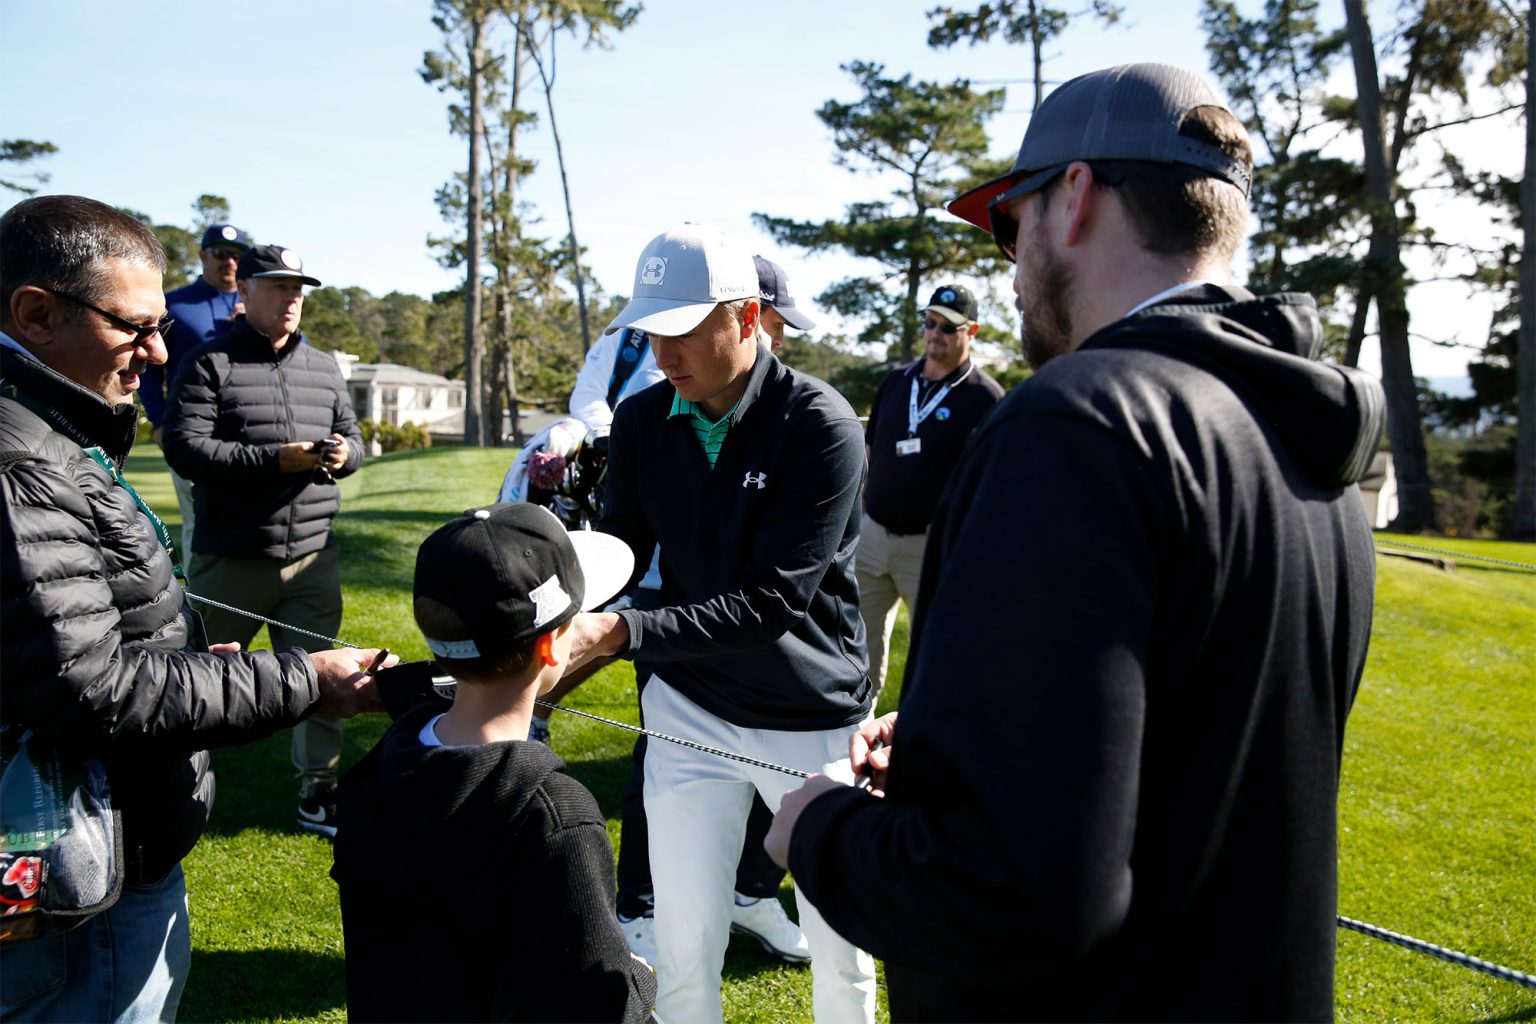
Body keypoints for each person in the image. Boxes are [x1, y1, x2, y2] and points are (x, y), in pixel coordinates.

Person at [766, 63, 1385, 1021]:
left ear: (1078, 195)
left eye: (1011, 225)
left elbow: (1015, 897)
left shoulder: (1079, 422)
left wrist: (817, 828)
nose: (1011, 263)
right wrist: (949, 748)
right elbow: (1176, 765)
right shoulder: (1310, 441)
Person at [0, 194, 383, 1022]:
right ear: (35, 314)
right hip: (82, 879)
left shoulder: (53, 428)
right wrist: (304, 681)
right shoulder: (23, 465)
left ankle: (315, 788)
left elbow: (68, 645)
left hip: (114, 842)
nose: (156, 350)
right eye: (132, 327)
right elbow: (92, 690)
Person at [564, 224, 877, 1024]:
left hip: (812, 722)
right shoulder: (639, 422)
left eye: (682, 329)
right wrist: (549, 581)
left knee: (842, 960)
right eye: (651, 331)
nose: (662, 352)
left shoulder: (823, 425)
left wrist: (625, 636)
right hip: (689, 706)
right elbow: (623, 556)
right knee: (684, 943)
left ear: (744, 317)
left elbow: (773, 602)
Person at [332, 502, 656, 1022]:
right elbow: (598, 1003)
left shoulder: (384, 764)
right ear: (553, 645)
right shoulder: (553, 813)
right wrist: (636, 974)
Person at [163, 243, 365, 839]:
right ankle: (167, 785)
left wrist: (342, 453)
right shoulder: (208, 362)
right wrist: (275, 461)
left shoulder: (325, 367)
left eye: (298, 288)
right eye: (277, 286)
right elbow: (187, 448)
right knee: (196, 679)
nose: (292, 298)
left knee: (328, 678)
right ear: (244, 292)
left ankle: (318, 791)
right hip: (234, 555)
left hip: (312, 554)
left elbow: (353, 439)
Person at [857, 282, 1003, 696]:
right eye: (930, 323)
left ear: (971, 332)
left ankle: (914, 745)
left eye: (947, 327)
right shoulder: (897, 382)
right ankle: (852, 740)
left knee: (932, 655)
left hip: (931, 546)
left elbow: (986, 484)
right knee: (855, 650)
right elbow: (873, 450)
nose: (935, 333)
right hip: (873, 537)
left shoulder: (985, 397)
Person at [141, 223, 252, 558]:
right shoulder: (174, 306)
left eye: (236, 255)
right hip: (191, 431)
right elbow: (148, 370)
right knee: (199, 523)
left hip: (249, 433)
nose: (229, 262)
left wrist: (251, 325)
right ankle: (198, 606)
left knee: (250, 522)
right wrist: (159, 422)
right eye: (220, 253)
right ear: (203, 255)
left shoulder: (258, 307)